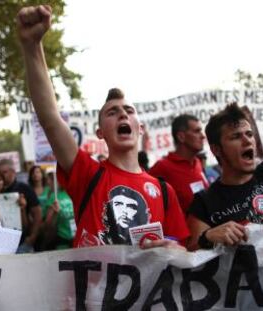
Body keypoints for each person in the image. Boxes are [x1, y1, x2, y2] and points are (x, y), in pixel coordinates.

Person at [17, 5, 189, 249]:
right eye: (112, 112)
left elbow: (181, 249)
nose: (122, 114)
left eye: (129, 111)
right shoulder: (88, 173)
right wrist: (32, 46)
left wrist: (173, 248)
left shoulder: (163, 191)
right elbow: (50, 119)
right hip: (90, 288)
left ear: (139, 128)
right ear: (101, 133)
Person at [187, 103, 262, 250]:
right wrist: (207, 237)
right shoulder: (204, 202)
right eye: (236, 136)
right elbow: (191, 254)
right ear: (216, 149)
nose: (247, 141)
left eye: (249, 134)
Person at [149, 114, 209, 214]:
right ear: (181, 137)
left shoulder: (198, 163)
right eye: (197, 131)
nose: (203, 136)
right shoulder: (162, 167)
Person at [0, 158, 42, 253]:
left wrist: (32, 237)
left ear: (13, 172)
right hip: (3, 243)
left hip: (23, 242)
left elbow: (37, 213)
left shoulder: (25, 188)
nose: (1, 176)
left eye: (4, 172)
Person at [41, 171, 75, 250]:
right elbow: (47, 225)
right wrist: (54, 214)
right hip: (62, 240)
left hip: (77, 238)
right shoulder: (54, 197)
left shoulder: (73, 193)